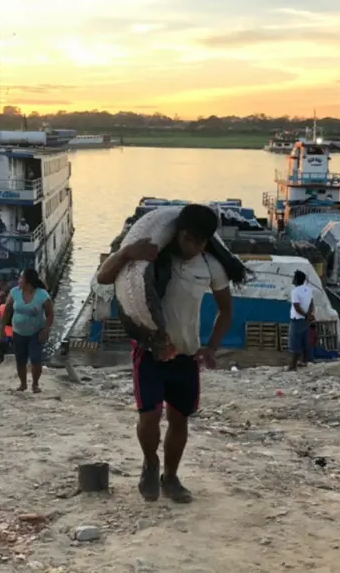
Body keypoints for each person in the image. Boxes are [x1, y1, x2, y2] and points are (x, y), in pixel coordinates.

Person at [95, 204, 241, 504]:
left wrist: (211, 346)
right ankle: (150, 461)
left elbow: (226, 309)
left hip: (186, 354)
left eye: (201, 241)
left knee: (179, 419)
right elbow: (103, 278)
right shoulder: (152, 257)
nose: (194, 247)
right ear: (178, 233)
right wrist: (126, 253)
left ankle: (171, 478)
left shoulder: (210, 265)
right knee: (149, 416)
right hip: (150, 352)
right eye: (190, 239)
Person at [0, 268, 53, 393]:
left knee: (35, 359)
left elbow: (50, 314)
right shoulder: (14, 292)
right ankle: (23, 384)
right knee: (20, 360)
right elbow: (6, 311)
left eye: (21, 278)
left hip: (36, 332)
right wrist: (2, 329)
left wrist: (46, 330)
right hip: (18, 332)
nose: (19, 280)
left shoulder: (42, 295)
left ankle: (35, 384)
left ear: (28, 281)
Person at [287, 270, 314, 371]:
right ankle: (304, 361)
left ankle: (292, 366)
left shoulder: (295, 291)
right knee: (304, 341)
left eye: (294, 277)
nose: (292, 279)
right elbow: (311, 303)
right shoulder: (309, 289)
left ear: (296, 279)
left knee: (294, 343)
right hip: (305, 320)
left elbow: (297, 307)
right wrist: (309, 315)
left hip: (297, 320)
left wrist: (305, 315)